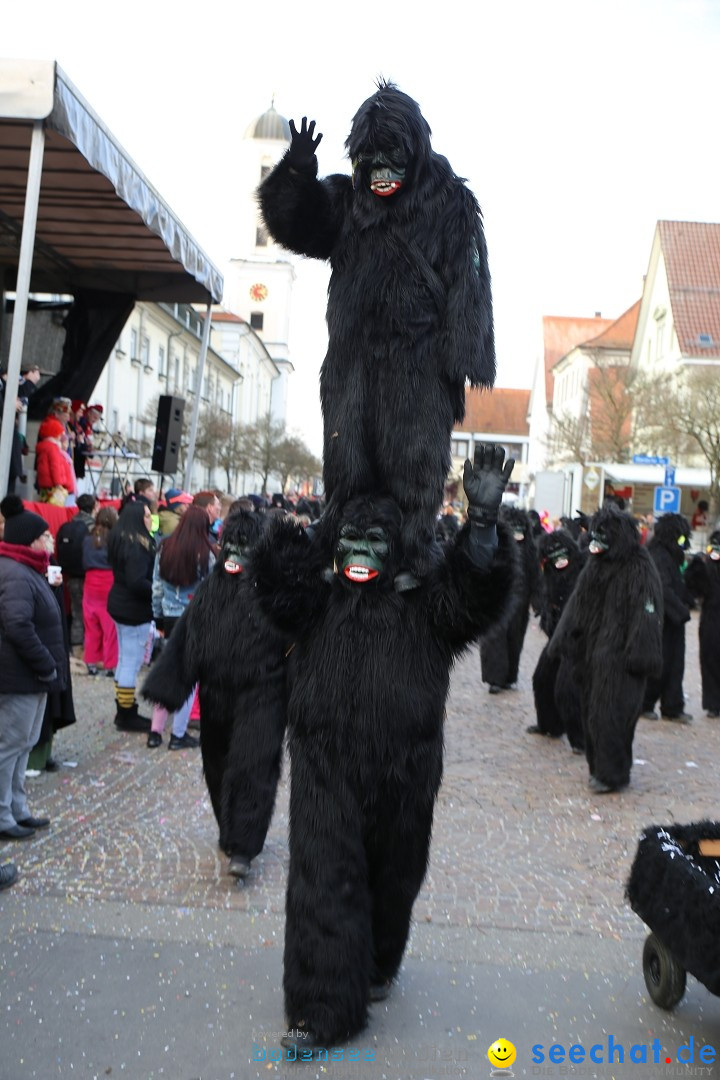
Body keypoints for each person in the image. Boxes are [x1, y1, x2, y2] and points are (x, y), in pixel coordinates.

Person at [0, 495, 65, 840]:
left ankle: (16, 808)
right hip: (20, 676)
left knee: (23, 743)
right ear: (30, 541)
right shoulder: (17, 574)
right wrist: (45, 662)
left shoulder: (28, 570)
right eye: (45, 537)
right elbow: (18, 625)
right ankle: (3, 814)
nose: (49, 541)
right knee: (10, 745)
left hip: (34, 676)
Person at [147, 506, 215, 750]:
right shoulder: (206, 553)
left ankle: (155, 730)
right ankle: (178, 734)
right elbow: (211, 593)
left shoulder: (164, 547)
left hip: (168, 615)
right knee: (189, 678)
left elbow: (156, 585)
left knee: (167, 671)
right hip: (194, 618)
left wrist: (157, 615)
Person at [107, 500, 156, 733]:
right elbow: (137, 582)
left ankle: (124, 707)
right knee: (130, 662)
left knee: (125, 660)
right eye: (147, 516)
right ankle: (126, 713)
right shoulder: (137, 546)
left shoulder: (121, 539)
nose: (150, 519)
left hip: (121, 605)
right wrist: (157, 589)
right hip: (133, 610)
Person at [55, 493, 97, 651]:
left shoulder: (69, 524)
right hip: (90, 577)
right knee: (92, 615)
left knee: (76, 613)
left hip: (71, 576)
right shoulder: (93, 527)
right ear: (93, 507)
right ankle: (90, 650)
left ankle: (76, 647)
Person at [82, 507, 119, 677]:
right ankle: (110, 664)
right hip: (109, 581)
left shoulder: (87, 539)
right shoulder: (115, 539)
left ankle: (91, 662)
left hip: (90, 581)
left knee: (91, 625)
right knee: (110, 626)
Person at [34, 417, 75, 505]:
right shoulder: (53, 448)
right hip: (54, 487)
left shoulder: (44, 447)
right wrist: (58, 484)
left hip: (46, 485)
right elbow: (55, 466)